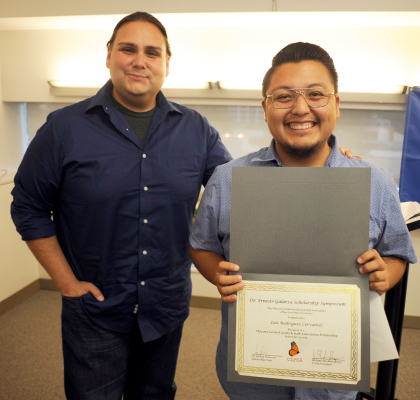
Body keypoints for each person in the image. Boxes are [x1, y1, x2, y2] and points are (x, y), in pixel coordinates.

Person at [10, 11, 233, 400]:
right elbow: (28, 207)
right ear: (109, 55)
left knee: (155, 394)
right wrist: (65, 282)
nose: (139, 60)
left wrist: (320, 160)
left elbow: (237, 190)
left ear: (166, 64)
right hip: (94, 308)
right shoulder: (63, 128)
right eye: (128, 49)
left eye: (152, 52)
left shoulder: (196, 129)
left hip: (164, 307)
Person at [189, 42, 417, 400]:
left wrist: (386, 271)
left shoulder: (376, 182)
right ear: (265, 108)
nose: (300, 108)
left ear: (336, 105)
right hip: (251, 375)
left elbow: (397, 253)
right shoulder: (227, 179)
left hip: (332, 378)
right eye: (283, 97)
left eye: (315, 94)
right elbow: (201, 245)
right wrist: (216, 272)